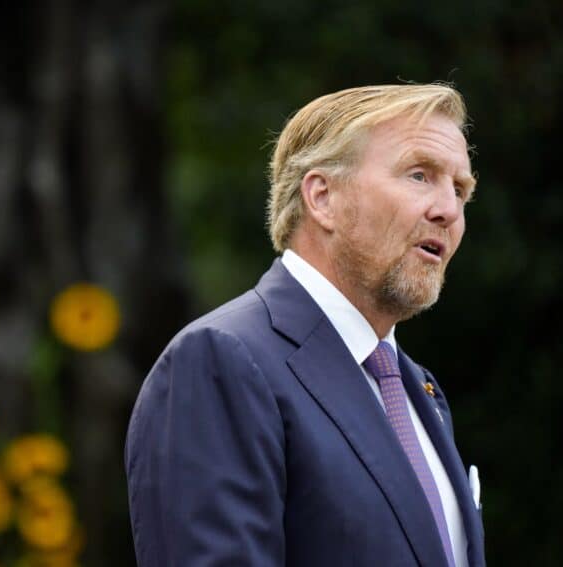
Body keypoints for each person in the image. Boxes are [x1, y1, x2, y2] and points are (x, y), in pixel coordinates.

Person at [125, 84, 485, 567]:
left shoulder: (421, 392)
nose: (449, 211)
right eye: (420, 175)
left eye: (460, 189)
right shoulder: (221, 361)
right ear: (323, 197)